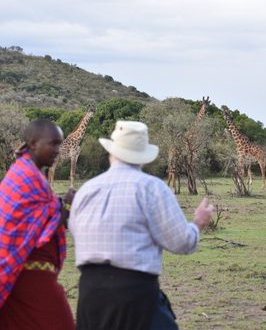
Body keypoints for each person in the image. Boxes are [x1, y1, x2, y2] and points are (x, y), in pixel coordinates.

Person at [69, 120, 214, 330]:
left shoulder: (86, 190)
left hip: (90, 294)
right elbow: (182, 242)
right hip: (134, 292)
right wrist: (198, 223)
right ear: (143, 157)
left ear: (111, 152)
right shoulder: (152, 188)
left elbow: (75, 230)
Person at [0, 119, 76, 330]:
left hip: (24, 277)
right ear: (33, 143)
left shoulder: (29, 174)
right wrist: (67, 207)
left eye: (60, 144)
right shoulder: (24, 177)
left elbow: (40, 218)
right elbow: (41, 228)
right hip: (28, 278)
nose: (58, 150)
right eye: (53, 143)